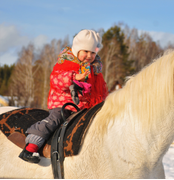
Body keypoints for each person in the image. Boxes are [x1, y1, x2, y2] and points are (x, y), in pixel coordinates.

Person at [19, 29, 108, 163]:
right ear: (77, 50)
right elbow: (56, 80)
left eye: (93, 52)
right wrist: (74, 77)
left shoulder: (95, 70)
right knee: (54, 121)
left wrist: (107, 101)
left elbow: (101, 89)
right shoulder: (66, 63)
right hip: (64, 104)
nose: (89, 55)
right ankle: (31, 147)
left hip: (86, 108)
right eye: (85, 51)